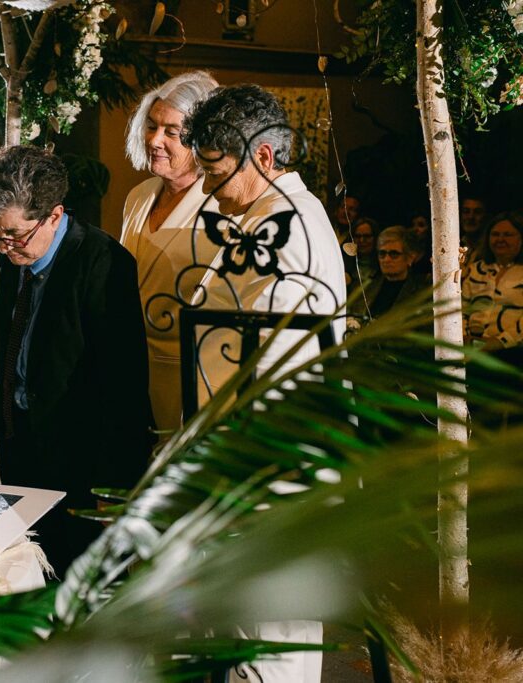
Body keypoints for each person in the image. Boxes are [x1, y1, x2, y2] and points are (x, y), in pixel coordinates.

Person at [183, 84, 347, 683]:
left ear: (264, 157)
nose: (207, 190)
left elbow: (264, 366)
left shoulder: (286, 229)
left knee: (268, 644)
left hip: (266, 468)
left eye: (214, 172)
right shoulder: (268, 215)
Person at [0, 145, 153, 576]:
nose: (4, 246)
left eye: (14, 234)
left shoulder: (105, 264)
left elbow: (124, 384)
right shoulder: (16, 255)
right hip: (22, 445)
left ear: (54, 215)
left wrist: (114, 487)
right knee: (26, 571)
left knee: (81, 580)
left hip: (80, 458)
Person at [120, 70, 220, 433]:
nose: (155, 140)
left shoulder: (220, 205)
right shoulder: (138, 196)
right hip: (129, 365)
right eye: (151, 126)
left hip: (186, 374)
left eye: (172, 132)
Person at [462, 211, 523, 354]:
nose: (500, 239)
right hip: (469, 349)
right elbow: (460, 308)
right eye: (495, 234)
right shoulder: (476, 270)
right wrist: (463, 337)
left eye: (508, 235)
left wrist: (498, 343)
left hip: (512, 351)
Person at [349, 225, 429, 324]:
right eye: (382, 254)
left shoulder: (422, 289)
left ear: (410, 257)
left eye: (394, 254)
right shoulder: (367, 288)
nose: (386, 259)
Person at [345, 217, 380, 291]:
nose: (361, 240)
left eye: (367, 236)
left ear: (375, 238)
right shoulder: (344, 264)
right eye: (357, 236)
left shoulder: (382, 266)